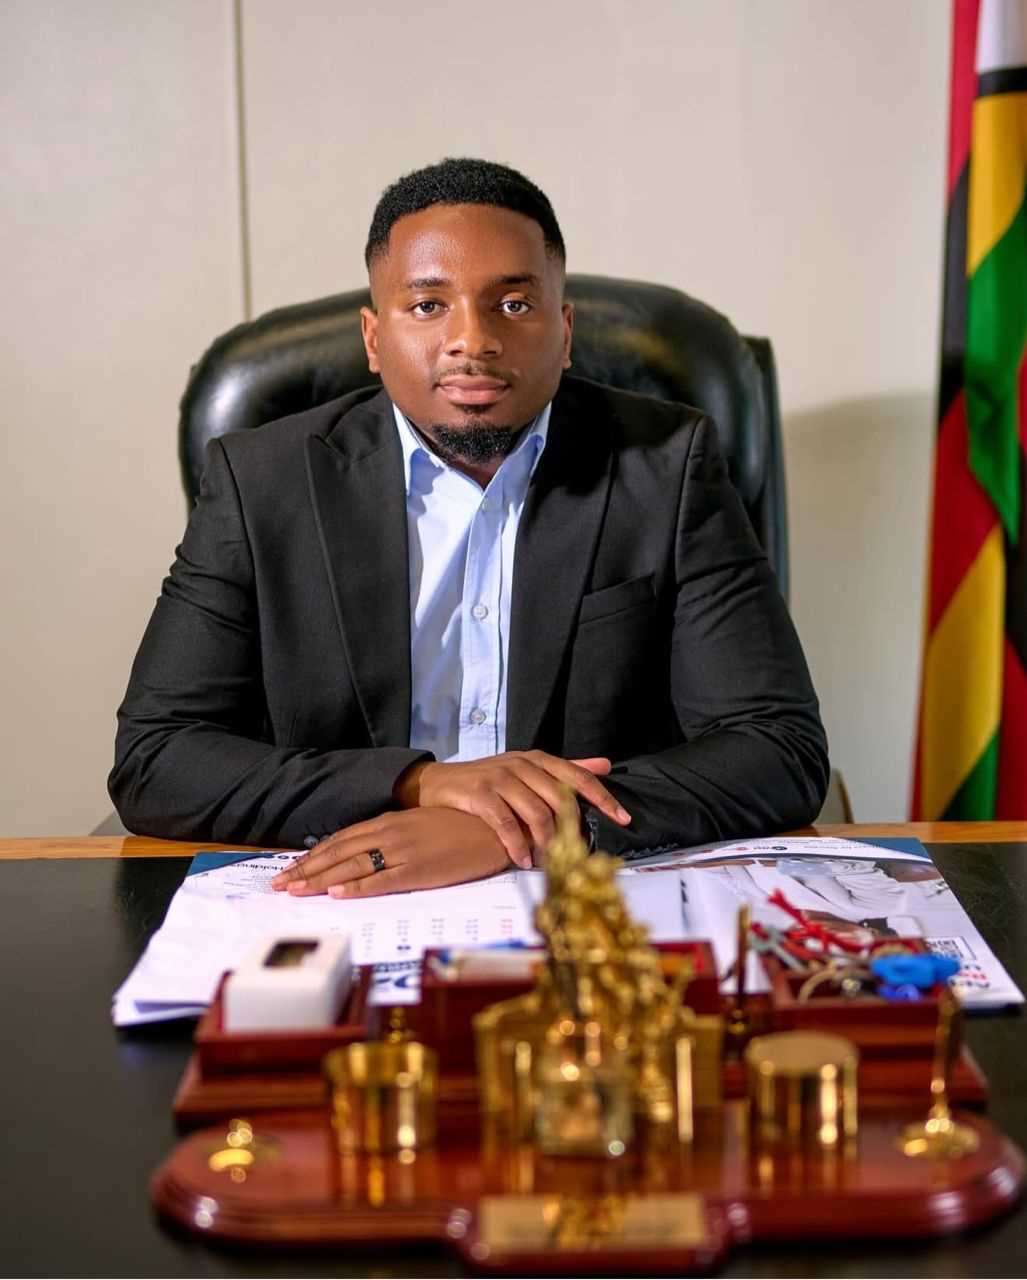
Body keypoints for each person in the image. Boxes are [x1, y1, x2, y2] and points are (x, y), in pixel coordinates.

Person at [109, 158, 828, 898]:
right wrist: (420, 785)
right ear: (372, 338)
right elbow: (157, 758)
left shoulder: (668, 466)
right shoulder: (261, 480)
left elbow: (779, 749)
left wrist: (509, 827)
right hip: (342, 892)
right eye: (428, 305)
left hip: (589, 897)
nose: (472, 339)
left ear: (564, 330)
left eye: (513, 304)